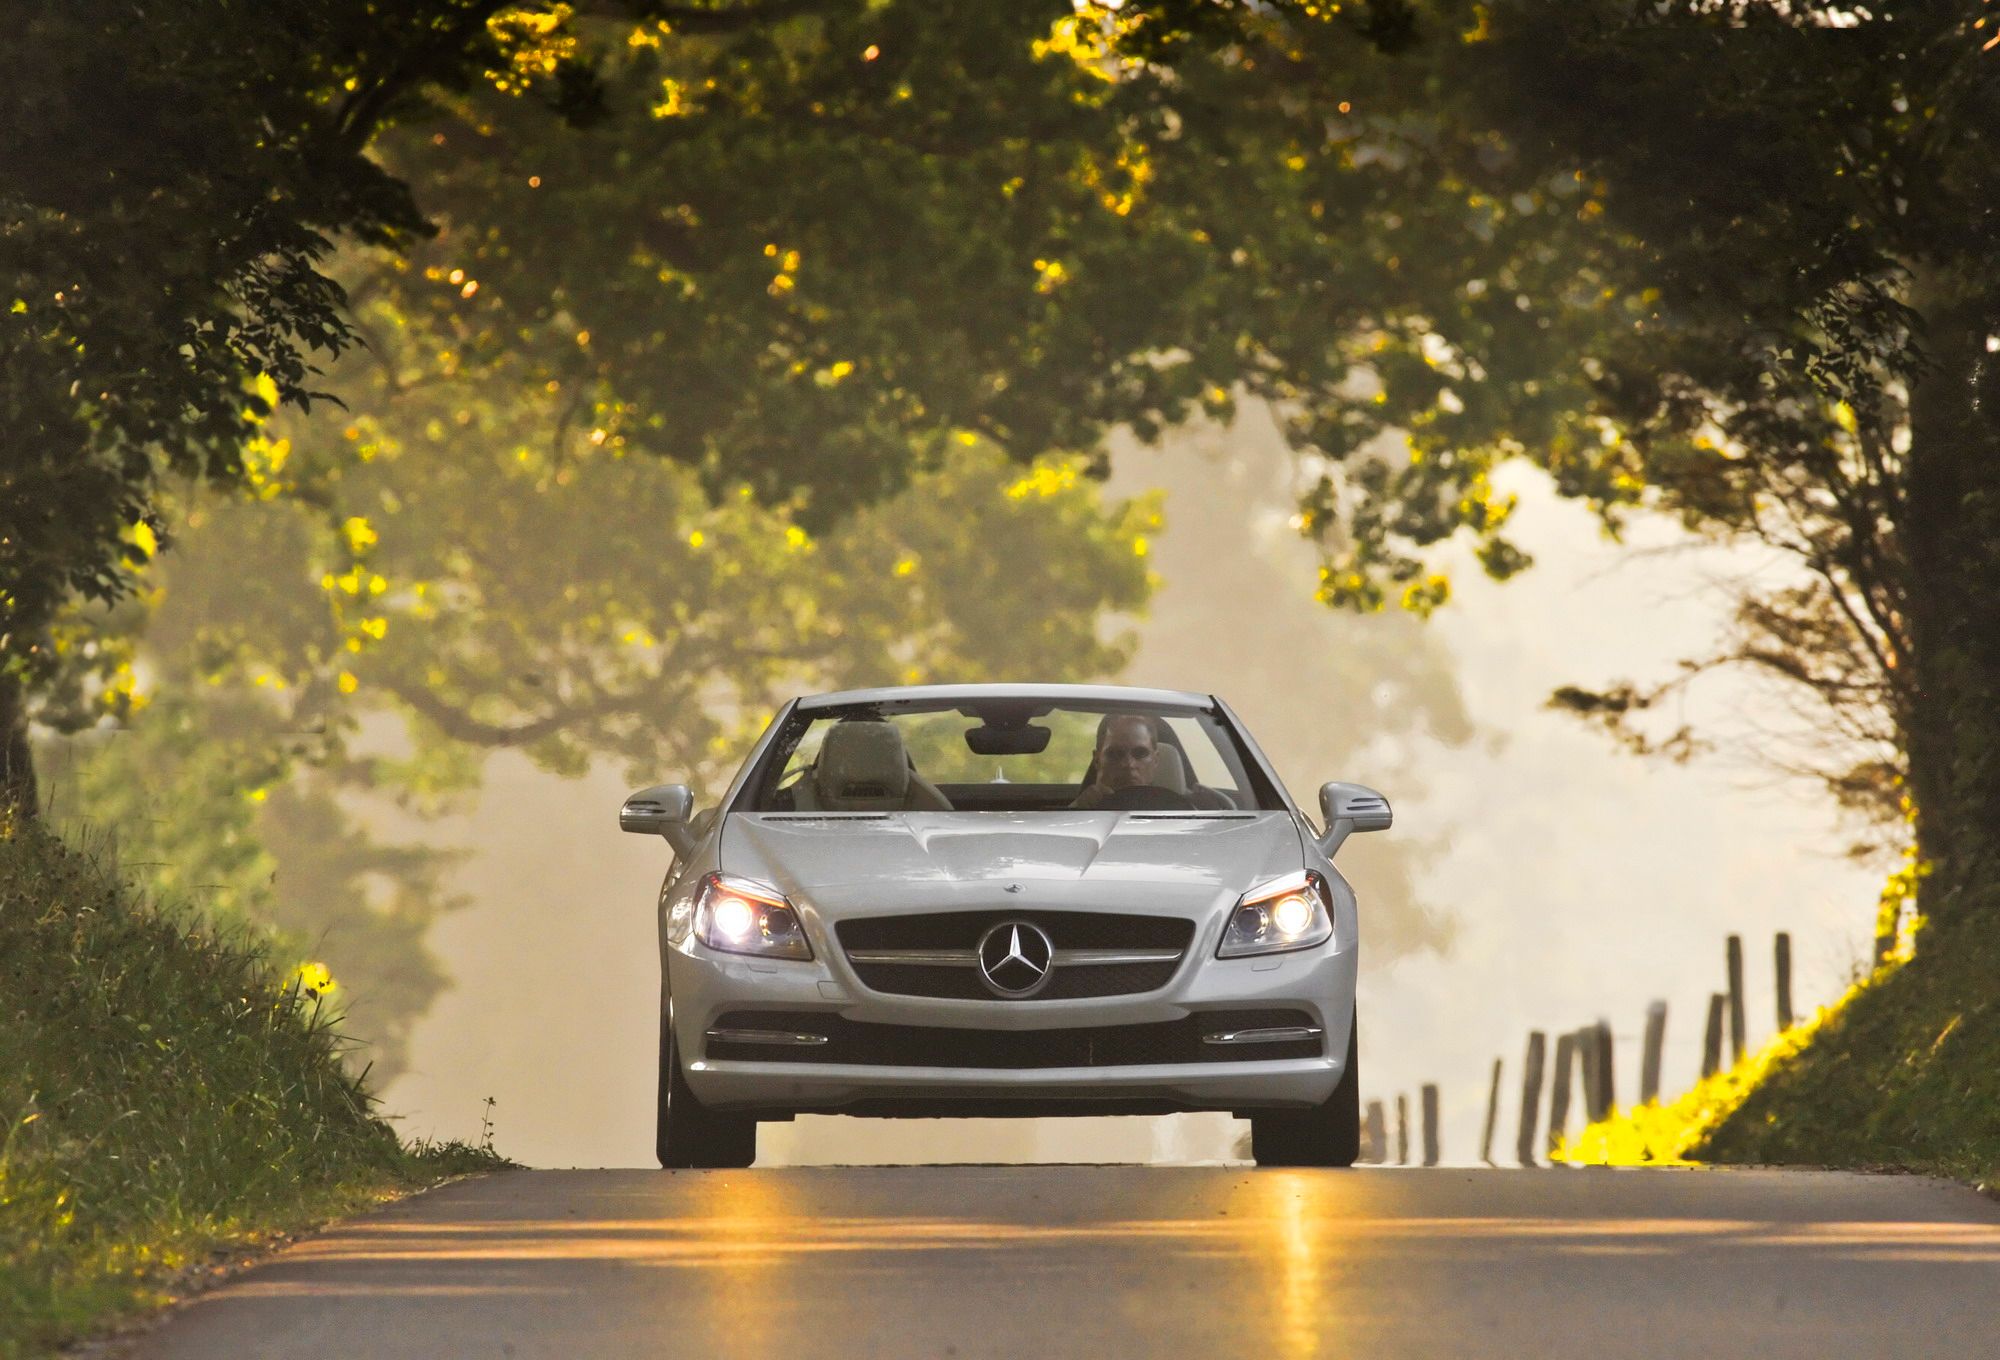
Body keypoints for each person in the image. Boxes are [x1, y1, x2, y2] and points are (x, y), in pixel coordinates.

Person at [1070, 713, 1164, 808]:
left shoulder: (1175, 811)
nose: (1129, 764)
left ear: (1155, 760)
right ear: (1097, 760)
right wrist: (1077, 808)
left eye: (1140, 753)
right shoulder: (1078, 812)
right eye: (1115, 754)